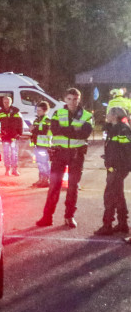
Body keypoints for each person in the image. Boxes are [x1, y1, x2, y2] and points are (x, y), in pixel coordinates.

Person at [37, 88, 93, 229]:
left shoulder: (86, 115)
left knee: (73, 187)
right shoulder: (58, 113)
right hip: (60, 154)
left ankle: (69, 216)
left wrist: (66, 130)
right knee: (54, 187)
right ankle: (47, 217)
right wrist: (74, 130)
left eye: (75, 99)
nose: (72, 102)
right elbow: (55, 130)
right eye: (69, 99)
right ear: (65, 99)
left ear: (79, 99)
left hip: (76, 155)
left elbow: (85, 134)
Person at [98, 106, 131, 236]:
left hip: (117, 168)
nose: (106, 115)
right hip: (115, 167)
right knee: (118, 195)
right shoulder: (114, 128)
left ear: (114, 115)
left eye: (108, 114)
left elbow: (126, 150)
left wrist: (117, 164)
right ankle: (123, 224)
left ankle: (107, 225)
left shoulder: (122, 129)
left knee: (109, 195)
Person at [0, 95, 23, 176]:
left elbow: (20, 123)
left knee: (14, 153)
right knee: (6, 153)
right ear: (3, 102)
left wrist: (19, 133)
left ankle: (15, 169)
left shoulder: (16, 111)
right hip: (5, 136)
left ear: (11, 102)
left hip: (14, 136)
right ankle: (7, 169)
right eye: (5, 102)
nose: (6, 103)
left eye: (8, 102)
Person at [30, 102, 52, 188]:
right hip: (37, 145)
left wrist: (33, 130)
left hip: (44, 145)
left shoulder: (47, 120)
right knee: (39, 163)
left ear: (45, 110)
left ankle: (46, 180)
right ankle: (41, 179)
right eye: (37, 110)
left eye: (39, 110)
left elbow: (44, 132)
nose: (37, 112)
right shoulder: (37, 120)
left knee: (44, 163)